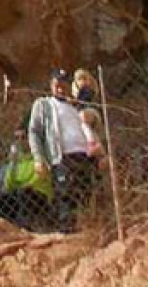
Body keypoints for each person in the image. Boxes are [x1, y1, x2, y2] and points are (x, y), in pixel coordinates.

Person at [28, 69, 98, 230]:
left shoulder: (76, 106)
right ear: (51, 85)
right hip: (62, 157)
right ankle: (69, 233)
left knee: (88, 196)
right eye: (57, 85)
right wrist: (38, 157)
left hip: (85, 156)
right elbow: (34, 131)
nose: (60, 88)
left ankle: (90, 230)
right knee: (65, 197)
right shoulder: (44, 105)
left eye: (64, 85)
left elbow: (91, 128)